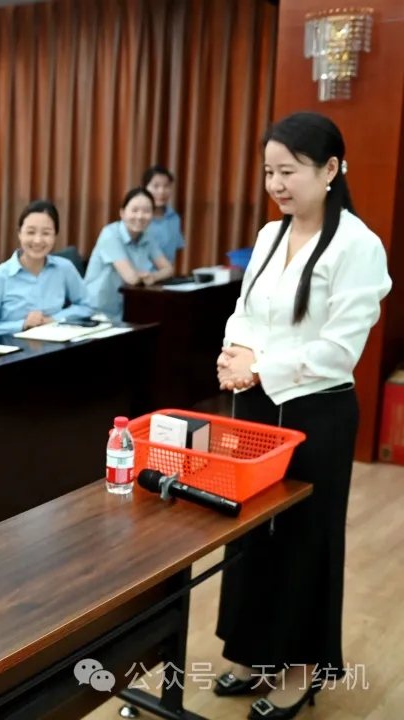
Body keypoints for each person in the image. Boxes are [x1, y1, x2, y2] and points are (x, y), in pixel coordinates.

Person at [212, 112, 391, 719]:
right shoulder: (270, 235)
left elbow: (340, 349)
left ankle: (298, 671)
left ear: (330, 169)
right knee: (249, 531)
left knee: (304, 539)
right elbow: (244, 310)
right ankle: (250, 654)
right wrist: (234, 354)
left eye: (288, 171)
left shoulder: (359, 246)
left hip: (317, 411)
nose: (276, 185)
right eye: (269, 172)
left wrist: (259, 366)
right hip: (255, 404)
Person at [0, 200, 95, 338]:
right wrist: (23, 324)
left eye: (46, 233)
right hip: (14, 349)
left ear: (55, 236)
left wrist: (54, 319)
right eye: (31, 232)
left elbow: (87, 306)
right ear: (20, 234)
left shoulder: (64, 268)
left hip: (54, 345)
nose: (38, 240)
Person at [83, 188, 174, 320]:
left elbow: (168, 269)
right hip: (96, 312)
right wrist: (143, 276)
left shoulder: (147, 236)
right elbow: (131, 278)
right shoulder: (110, 234)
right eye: (134, 210)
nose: (140, 216)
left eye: (146, 211)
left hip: (126, 309)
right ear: (122, 213)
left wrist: (152, 277)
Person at [143, 165, 185, 265]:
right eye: (156, 186)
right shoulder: (138, 218)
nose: (161, 192)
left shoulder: (174, 217)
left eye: (166, 186)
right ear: (145, 188)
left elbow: (177, 249)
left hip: (167, 273)